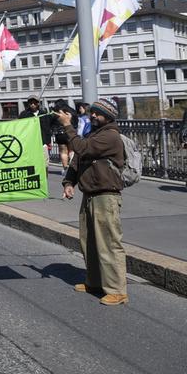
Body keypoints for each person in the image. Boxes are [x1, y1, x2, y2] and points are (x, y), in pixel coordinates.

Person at [59, 98, 128, 306]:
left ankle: (117, 290)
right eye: (92, 112)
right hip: (89, 195)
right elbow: (78, 159)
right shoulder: (93, 134)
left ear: (108, 116)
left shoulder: (110, 136)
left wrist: (67, 125)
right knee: (89, 243)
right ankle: (95, 282)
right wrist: (69, 181)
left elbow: (83, 149)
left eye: (97, 113)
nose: (92, 116)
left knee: (108, 244)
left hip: (105, 196)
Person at [52, 100, 79, 176]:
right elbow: (76, 121)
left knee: (63, 151)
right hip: (70, 132)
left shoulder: (56, 111)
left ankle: (65, 169)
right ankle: (72, 168)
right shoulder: (71, 110)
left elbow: (51, 122)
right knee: (71, 150)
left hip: (59, 134)